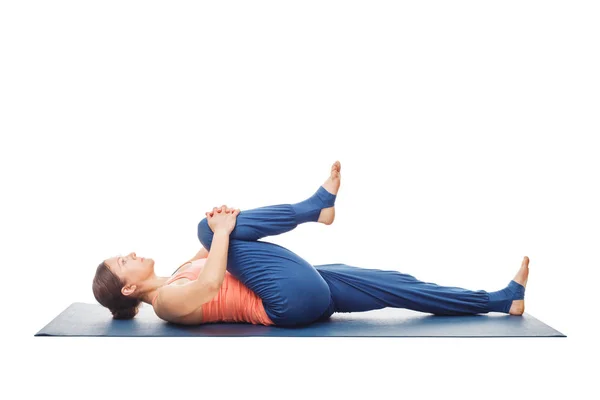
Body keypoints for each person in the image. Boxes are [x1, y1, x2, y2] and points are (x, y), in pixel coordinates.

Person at [92, 161, 529, 327]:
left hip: (306, 291)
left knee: (397, 284)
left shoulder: (176, 273)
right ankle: (315, 208)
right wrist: (219, 230)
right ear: (129, 289)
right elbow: (208, 286)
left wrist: (221, 224)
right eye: (123, 262)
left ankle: (499, 300)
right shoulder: (167, 302)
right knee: (209, 231)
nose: (130, 254)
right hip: (284, 303)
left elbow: (218, 251)